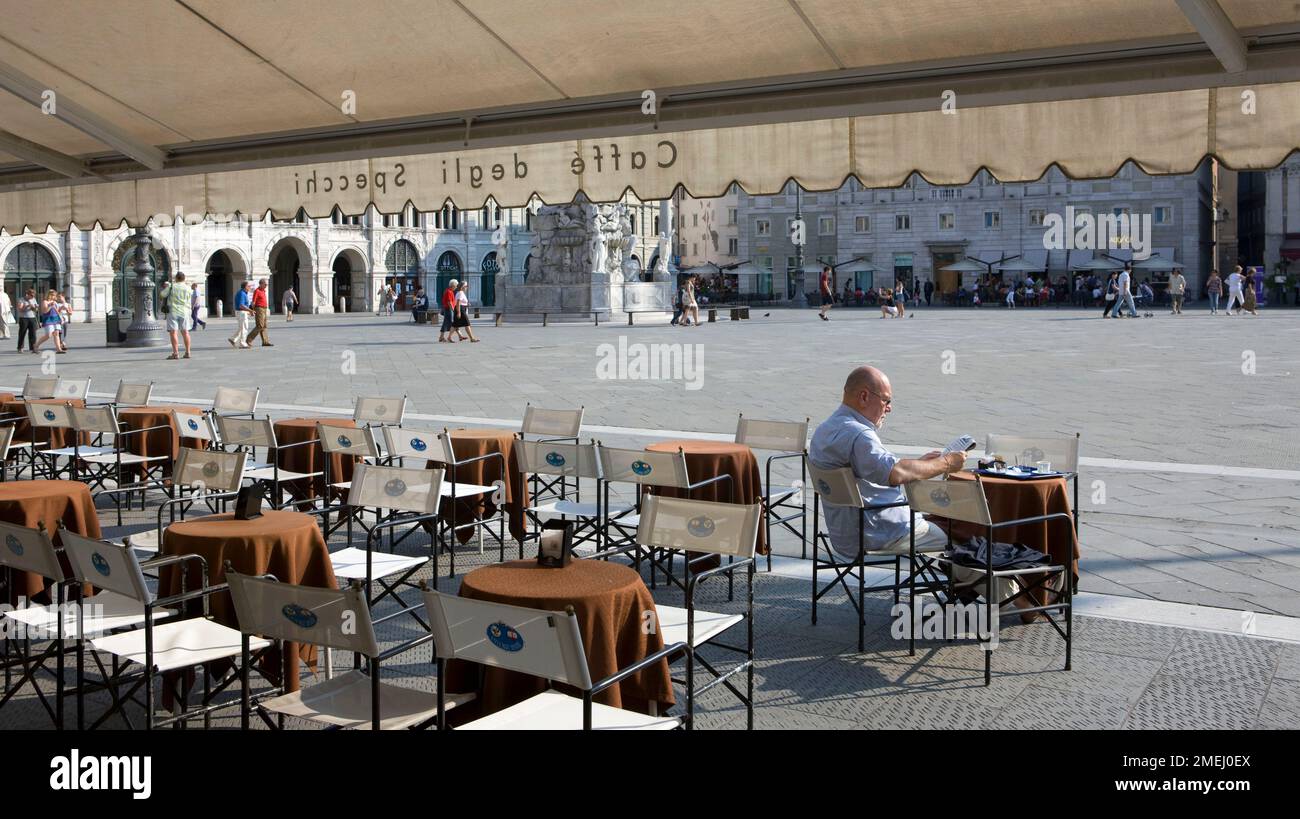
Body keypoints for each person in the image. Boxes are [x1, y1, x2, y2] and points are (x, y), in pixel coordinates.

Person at [159, 272, 193, 359]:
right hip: (184, 311)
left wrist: (166, 287)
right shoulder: (188, 288)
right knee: (185, 332)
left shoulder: (172, 287)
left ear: (176, 278)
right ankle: (188, 352)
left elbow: (162, 295)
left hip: (173, 311)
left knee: (173, 332)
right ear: (184, 279)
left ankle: (175, 353)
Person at [32, 290, 66, 354]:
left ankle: (59, 349)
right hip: (48, 319)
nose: (54, 297)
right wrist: (50, 306)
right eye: (53, 295)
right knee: (48, 335)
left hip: (55, 319)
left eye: (55, 295)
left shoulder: (55, 302)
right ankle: (36, 345)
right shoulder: (45, 302)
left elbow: (57, 311)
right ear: (49, 295)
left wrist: (61, 317)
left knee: (56, 334)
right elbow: (45, 311)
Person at [245, 278, 273, 347]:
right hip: (259, 309)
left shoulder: (263, 291)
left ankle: (265, 342)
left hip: (264, 309)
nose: (266, 285)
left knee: (264, 325)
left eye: (266, 284)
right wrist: (252, 310)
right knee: (260, 325)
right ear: (261, 284)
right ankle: (248, 339)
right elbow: (253, 302)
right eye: (265, 284)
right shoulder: (257, 291)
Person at [229, 280, 253, 349]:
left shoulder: (242, 293)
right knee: (244, 328)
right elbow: (241, 305)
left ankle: (233, 339)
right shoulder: (242, 293)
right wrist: (250, 310)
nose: (250, 287)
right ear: (245, 287)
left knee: (241, 327)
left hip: (241, 312)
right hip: (242, 312)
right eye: (249, 286)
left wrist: (249, 311)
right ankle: (242, 343)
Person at [16, 289, 38, 353]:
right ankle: (20, 347)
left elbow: (36, 310)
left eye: (33, 295)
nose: (32, 297)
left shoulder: (33, 299)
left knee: (33, 333)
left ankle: (33, 348)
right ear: (27, 294)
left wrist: (34, 307)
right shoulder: (21, 299)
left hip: (32, 317)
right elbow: (20, 309)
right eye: (31, 295)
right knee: (22, 333)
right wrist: (27, 306)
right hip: (24, 318)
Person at [438, 278, 459, 343]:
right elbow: (449, 302)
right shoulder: (449, 292)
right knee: (452, 323)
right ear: (453, 285)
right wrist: (453, 309)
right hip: (448, 309)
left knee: (446, 323)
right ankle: (450, 337)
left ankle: (441, 337)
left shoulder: (448, 291)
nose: (456, 287)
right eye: (456, 286)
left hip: (447, 309)